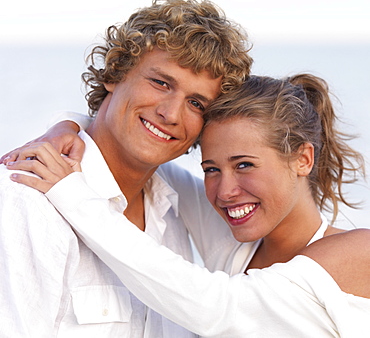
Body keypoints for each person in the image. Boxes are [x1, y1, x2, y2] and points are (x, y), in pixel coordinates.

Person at [7, 74, 370, 337]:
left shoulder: (356, 253)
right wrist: (67, 128)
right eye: (211, 169)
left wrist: (70, 192)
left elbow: (216, 308)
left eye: (245, 164)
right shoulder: (236, 241)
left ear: (303, 159)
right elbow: (132, 156)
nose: (225, 191)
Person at [0, 0, 253, 336]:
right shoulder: (27, 198)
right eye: (161, 83)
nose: (171, 113)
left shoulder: (174, 210)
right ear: (114, 74)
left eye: (196, 103)